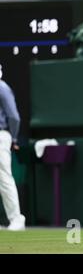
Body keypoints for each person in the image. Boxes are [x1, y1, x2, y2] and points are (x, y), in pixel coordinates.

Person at [0, 65, 25, 231]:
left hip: (1, 134)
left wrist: (14, 137)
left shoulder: (2, 87)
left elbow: (14, 116)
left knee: (4, 176)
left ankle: (16, 219)